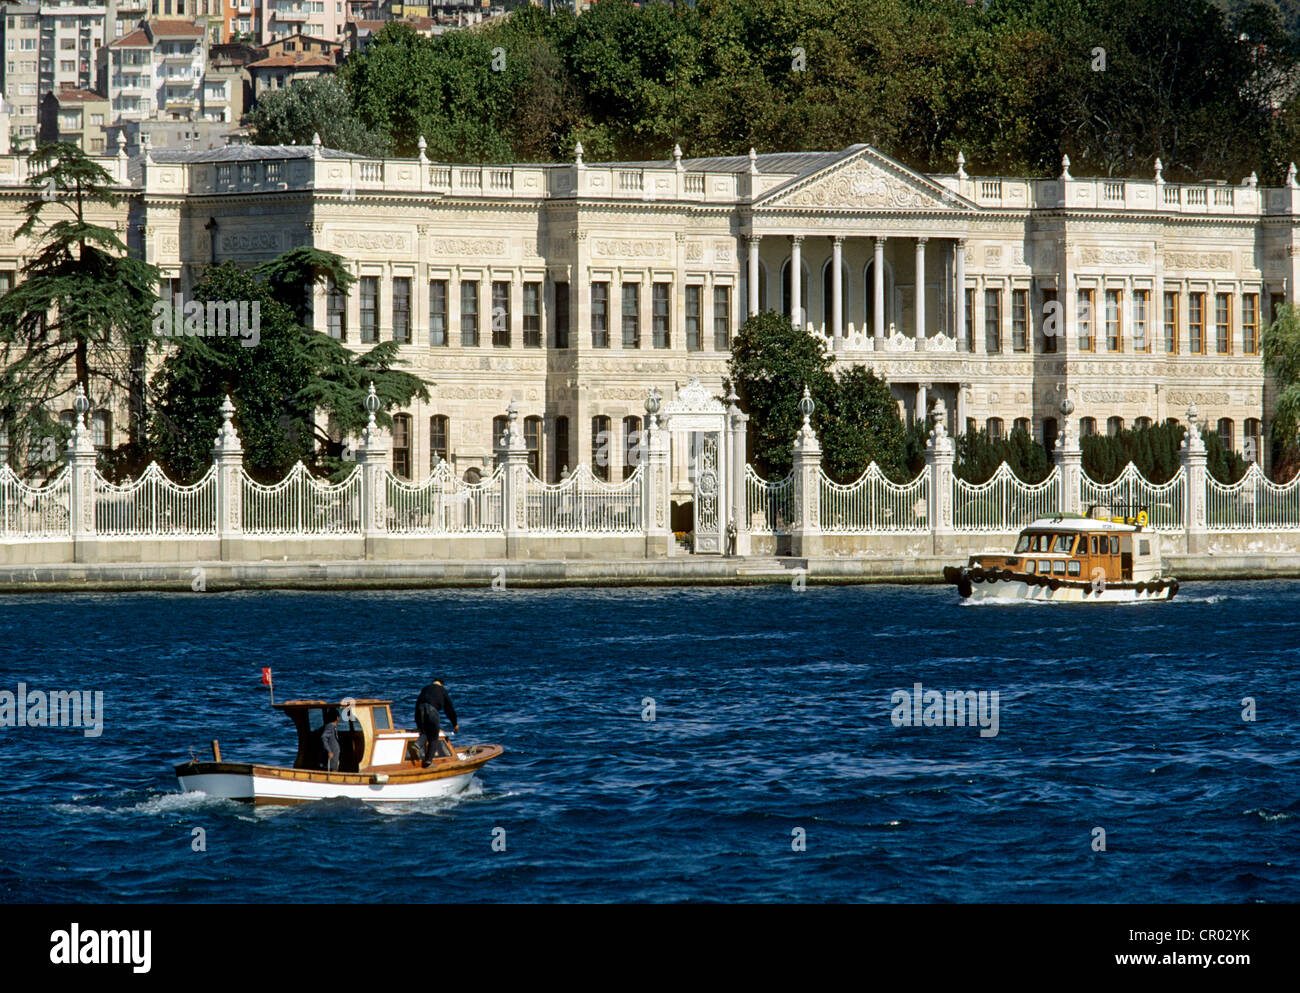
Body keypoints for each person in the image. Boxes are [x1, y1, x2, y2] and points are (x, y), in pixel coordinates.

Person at [414, 678, 459, 767]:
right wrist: (455, 724)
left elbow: (417, 704)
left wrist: (418, 723)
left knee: (425, 731)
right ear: (441, 684)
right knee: (434, 736)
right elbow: (449, 709)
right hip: (432, 710)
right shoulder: (442, 690)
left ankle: (418, 744)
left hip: (419, 710)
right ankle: (428, 762)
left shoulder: (426, 688)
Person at [319, 707, 340, 772]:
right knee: (332, 771)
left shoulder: (333, 727)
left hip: (334, 758)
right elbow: (323, 737)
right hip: (331, 760)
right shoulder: (330, 726)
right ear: (337, 718)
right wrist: (329, 751)